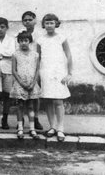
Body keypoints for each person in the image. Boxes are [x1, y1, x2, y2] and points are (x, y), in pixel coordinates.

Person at [38, 13, 73, 142]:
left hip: (59, 72)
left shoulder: (61, 38)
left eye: (51, 23)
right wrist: (37, 74)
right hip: (45, 72)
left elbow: (69, 56)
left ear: (56, 24)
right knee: (48, 100)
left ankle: (60, 128)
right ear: (43, 25)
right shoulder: (40, 40)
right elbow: (38, 57)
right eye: (46, 23)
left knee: (58, 101)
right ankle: (52, 127)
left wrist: (69, 73)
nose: (49, 25)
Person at [11, 31, 41, 139]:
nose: (23, 43)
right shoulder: (15, 54)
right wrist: (21, 83)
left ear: (30, 41)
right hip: (20, 84)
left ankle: (32, 129)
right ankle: (20, 128)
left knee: (31, 106)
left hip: (31, 84)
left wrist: (33, 83)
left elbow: (37, 70)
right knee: (20, 106)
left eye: (26, 41)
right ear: (18, 42)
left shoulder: (35, 55)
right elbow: (14, 70)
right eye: (21, 41)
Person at [19, 10, 44, 131]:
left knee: (35, 94)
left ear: (35, 20)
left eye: (30, 19)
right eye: (25, 20)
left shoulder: (40, 35)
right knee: (21, 94)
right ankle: (22, 119)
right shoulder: (20, 34)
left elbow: (40, 52)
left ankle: (36, 118)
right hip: (23, 67)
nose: (27, 22)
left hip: (35, 66)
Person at [0, 17, 15, 131]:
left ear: (7, 28)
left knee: (7, 95)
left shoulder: (12, 40)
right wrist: (3, 54)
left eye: (2, 27)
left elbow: (12, 53)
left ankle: (4, 119)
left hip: (8, 69)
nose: (0, 29)